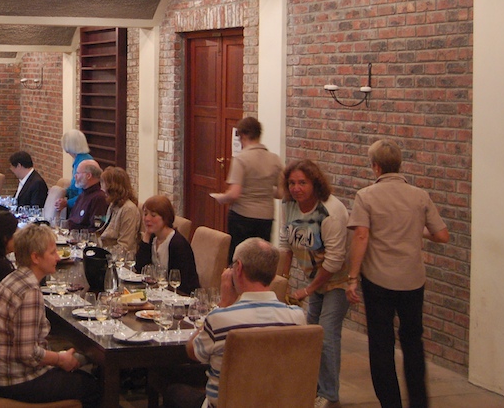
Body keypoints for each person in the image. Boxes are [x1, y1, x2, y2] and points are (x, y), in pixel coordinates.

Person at [346, 139, 449, 408]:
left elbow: (361, 236)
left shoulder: (366, 196)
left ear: (375, 166)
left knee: (381, 343)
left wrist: (352, 278)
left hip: (378, 280)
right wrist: (417, 230)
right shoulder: (419, 196)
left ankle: (390, 403)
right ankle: (419, 402)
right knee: (413, 341)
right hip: (413, 280)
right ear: (399, 164)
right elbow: (441, 235)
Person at [164, 238, 307, 408]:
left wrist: (224, 303)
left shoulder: (221, 319)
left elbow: (192, 351)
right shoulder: (297, 318)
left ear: (238, 268)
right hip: (277, 403)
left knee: (173, 390)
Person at [0, 224, 99, 407]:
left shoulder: (12, 278)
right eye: (52, 252)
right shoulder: (29, 291)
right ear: (35, 257)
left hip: (2, 372)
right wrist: (60, 360)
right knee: (94, 387)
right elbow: (27, 354)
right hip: (18, 381)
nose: (58, 257)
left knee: (82, 373)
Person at [278, 159, 350, 408]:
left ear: (315, 183)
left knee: (327, 335)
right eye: (292, 183)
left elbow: (335, 261)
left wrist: (308, 290)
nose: (296, 188)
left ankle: (330, 395)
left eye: (302, 183)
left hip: (338, 280)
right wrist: (283, 281)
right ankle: (314, 387)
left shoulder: (331, 212)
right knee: (312, 334)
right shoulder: (289, 205)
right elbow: (285, 244)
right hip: (314, 278)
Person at [214, 116, 283, 262]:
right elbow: (281, 193)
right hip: (266, 217)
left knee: (239, 260)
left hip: (242, 217)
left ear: (243, 135)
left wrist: (221, 198)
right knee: (261, 260)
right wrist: (263, 189)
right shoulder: (275, 159)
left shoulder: (241, 159)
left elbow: (234, 194)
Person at [134, 194, 199, 295]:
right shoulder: (153, 238)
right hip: (159, 292)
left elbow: (182, 282)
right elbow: (140, 269)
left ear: (165, 218)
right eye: (145, 214)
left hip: (180, 296)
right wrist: (146, 236)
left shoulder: (178, 244)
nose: (147, 218)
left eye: (153, 215)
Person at [96, 166, 141, 257]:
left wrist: (103, 254)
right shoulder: (113, 204)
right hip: (106, 251)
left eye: (104, 183)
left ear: (113, 187)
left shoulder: (128, 209)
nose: (102, 188)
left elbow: (125, 245)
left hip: (121, 258)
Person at [55, 130, 94, 213]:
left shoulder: (83, 163)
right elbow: (74, 188)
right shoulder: (79, 160)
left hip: (82, 209)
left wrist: (67, 203)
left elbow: (84, 194)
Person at [63, 159, 108, 231]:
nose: (75, 176)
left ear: (88, 175)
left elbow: (96, 229)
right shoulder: (83, 194)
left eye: (78, 173)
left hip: (81, 236)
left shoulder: (99, 198)